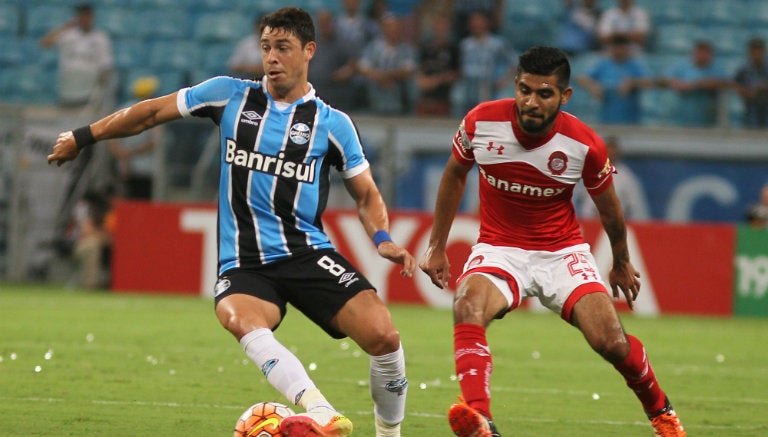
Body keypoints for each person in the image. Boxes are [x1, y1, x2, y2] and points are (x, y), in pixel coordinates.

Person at [47, 8, 416, 437]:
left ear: (309, 51)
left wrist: (383, 237)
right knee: (240, 318)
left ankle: (389, 434)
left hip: (306, 253)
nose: (272, 57)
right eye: (265, 48)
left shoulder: (332, 124)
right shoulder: (228, 96)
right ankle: (320, 413)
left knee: (384, 338)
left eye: (283, 47)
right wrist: (83, 136)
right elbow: (151, 113)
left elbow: (366, 193)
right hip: (243, 261)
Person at [418, 46, 686, 437]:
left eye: (544, 93)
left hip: (561, 253)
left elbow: (610, 210)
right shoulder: (480, 122)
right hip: (499, 248)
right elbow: (455, 174)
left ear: (565, 96)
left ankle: (661, 412)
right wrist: (437, 244)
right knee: (468, 305)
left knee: (611, 343)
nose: (531, 101)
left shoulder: (585, 145)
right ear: (515, 86)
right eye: (524, 90)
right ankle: (481, 420)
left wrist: (622, 261)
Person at [39, 3, 114, 110]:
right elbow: (44, 43)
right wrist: (64, 27)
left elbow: (106, 67)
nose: (84, 19)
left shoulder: (101, 38)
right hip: (67, 90)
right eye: (81, 16)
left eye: (87, 16)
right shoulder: (68, 35)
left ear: (93, 17)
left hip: (89, 93)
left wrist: (99, 95)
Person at [576, 34, 654, 125]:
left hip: (629, 117)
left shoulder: (635, 65)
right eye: (615, 47)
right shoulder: (604, 64)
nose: (618, 51)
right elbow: (581, 78)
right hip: (606, 116)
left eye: (622, 48)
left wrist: (633, 83)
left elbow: (650, 82)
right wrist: (593, 87)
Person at [453, 11, 516, 117]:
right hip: (467, 83)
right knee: (457, 98)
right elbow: (458, 65)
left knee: (484, 108)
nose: (476, 24)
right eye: (473, 21)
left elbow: (514, 62)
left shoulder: (496, 43)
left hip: (486, 84)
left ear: (487, 23)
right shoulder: (465, 44)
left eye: (479, 21)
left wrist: (505, 80)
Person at [108, 76, 162, 199]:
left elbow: (112, 139)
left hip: (124, 167)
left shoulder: (122, 110)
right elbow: (154, 142)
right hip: (146, 169)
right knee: (142, 204)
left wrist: (123, 157)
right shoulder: (153, 112)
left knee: (125, 203)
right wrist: (132, 153)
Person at [573, 135, 650, 220]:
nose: (610, 153)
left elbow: (638, 209)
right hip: (588, 224)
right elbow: (575, 198)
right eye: (608, 149)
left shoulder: (627, 178)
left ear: (618, 153)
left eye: (613, 150)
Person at [358, 13, 418, 115]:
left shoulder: (407, 49)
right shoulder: (373, 47)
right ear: (383, 29)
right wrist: (379, 77)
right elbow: (362, 67)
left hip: (398, 91)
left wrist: (388, 77)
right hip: (376, 88)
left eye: (395, 28)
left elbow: (408, 69)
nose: (392, 31)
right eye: (389, 28)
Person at [661, 40, 730, 127]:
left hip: (706, 119)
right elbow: (664, 78)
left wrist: (694, 85)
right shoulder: (682, 66)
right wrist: (675, 83)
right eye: (699, 53)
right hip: (682, 117)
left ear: (710, 55)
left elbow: (723, 82)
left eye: (705, 53)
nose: (701, 56)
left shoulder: (717, 69)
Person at [308, 9, 359, 112]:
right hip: (313, 88)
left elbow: (354, 63)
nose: (324, 26)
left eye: (327, 22)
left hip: (335, 89)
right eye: (321, 23)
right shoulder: (311, 42)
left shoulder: (342, 42)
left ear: (332, 23)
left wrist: (346, 71)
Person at [414, 14, 460, 116]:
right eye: (439, 26)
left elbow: (456, 73)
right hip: (426, 83)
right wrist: (424, 80)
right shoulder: (425, 48)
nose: (441, 29)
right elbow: (419, 69)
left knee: (457, 95)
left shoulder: (453, 49)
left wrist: (437, 80)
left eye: (444, 27)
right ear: (434, 28)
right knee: (416, 87)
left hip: (445, 85)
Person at [734, 37, 768, 129]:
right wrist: (746, 92)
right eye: (754, 51)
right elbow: (734, 84)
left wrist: (763, 87)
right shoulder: (743, 70)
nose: (756, 54)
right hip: (751, 108)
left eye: (759, 51)